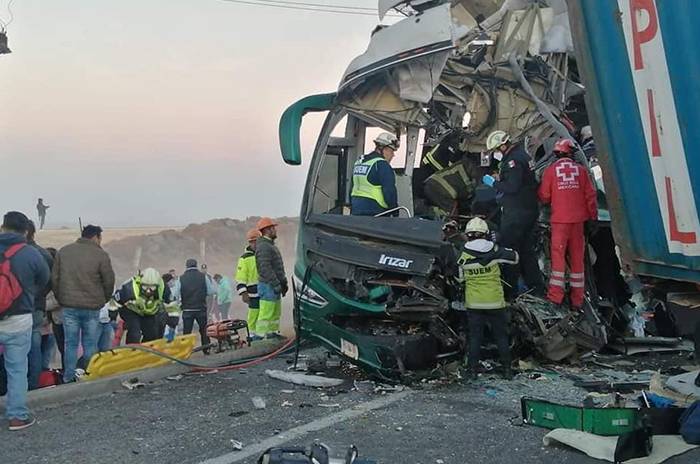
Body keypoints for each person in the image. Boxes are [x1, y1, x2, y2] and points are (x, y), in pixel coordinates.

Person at [0, 211, 50, 430]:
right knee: (17, 369)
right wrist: (26, 293)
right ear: (26, 231)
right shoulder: (31, 254)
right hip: (19, 319)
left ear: (3, 227)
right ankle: (17, 417)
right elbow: (45, 280)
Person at [483, 130, 544, 298]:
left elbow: (512, 187)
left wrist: (493, 182)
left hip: (516, 213)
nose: (495, 153)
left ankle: (510, 291)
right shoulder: (523, 155)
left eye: (496, 149)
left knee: (510, 250)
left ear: (503, 146)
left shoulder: (513, 160)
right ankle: (536, 288)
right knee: (526, 251)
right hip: (529, 210)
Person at [538, 138, 597, 310]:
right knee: (578, 260)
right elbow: (590, 196)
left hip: (559, 222)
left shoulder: (550, 171)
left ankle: (556, 297)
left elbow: (544, 196)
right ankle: (577, 300)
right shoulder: (581, 171)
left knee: (558, 259)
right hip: (578, 222)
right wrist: (592, 218)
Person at [456, 217, 518, 380]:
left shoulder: (462, 255)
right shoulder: (495, 250)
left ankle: (471, 371)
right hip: (495, 303)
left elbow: (460, 279)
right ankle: (507, 370)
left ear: (468, 235)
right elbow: (515, 257)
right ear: (485, 234)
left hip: (474, 304)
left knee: (475, 337)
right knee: (501, 336)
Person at [52, 225, 115, 383]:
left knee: (70, 344)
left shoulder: (64, 251)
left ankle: (68, 377)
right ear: (95, 237)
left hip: (69, 307)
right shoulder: (101, 255)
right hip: (92, 308)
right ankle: (89, 376)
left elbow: (55, 279)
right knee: (90, 343)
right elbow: (109, 281)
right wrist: (103, 299)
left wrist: (62, 298)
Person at [113, 268, 180, 343]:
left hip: (149, 312)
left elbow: (172, 305)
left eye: (152, 287)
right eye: (145, 286)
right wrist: (112, 317)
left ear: (157, 285)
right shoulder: (130, 288)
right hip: (131, 311)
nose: (148, 290)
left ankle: (146, 350)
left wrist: (173, 323)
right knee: (135, 333)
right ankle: (132, 348)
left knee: (152, 334)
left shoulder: (163, 288)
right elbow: (115, 301)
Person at [25, 221, 53, 390]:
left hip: (17, 308)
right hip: (37, 306)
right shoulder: (44, 254)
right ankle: (33, 386)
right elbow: (49, 282)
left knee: (15, 348)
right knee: (35, 346)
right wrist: (40, 296)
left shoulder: (15, 253)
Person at [350, 132, 399, 216]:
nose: (393, 155)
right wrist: (394, 210)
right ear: (384, 149)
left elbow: (352, 186)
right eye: (391, 151)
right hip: (376, 212)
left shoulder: (359, 162)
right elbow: (389, 191)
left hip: (356, 209)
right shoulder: (382, 165)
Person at [255, 218, 287, 339]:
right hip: (268, 285)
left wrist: (283, 283)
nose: (275, 230)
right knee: (266, 313)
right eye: (273, 228)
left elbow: (277, 267)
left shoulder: (269, 245)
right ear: (267, 230)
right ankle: (260, 338)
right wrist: (276, 283)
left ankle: (272, 334)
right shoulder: (264, 246)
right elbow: (265, 268)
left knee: (274, 313)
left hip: (273, 285)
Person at [179, 258, 214, 353]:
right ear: (196, 265)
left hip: (187, 309)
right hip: (201, 308)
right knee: (203, 330)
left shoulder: (181, 278)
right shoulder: (203, 276)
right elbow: (211, 291)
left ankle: (186, 351)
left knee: (187, 332)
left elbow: (176, 294)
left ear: (186, 266)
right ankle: (206, 349)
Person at [236, 228, 261, 340]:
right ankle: (252, 333)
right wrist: (243, 292)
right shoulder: (244, 258)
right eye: (252, 241)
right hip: (252, 293)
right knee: (254, 313)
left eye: (256, 241)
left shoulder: (263, 254)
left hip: (264, 290)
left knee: (264, 314)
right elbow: (240, 277)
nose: (254, 244)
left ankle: (263, 333)